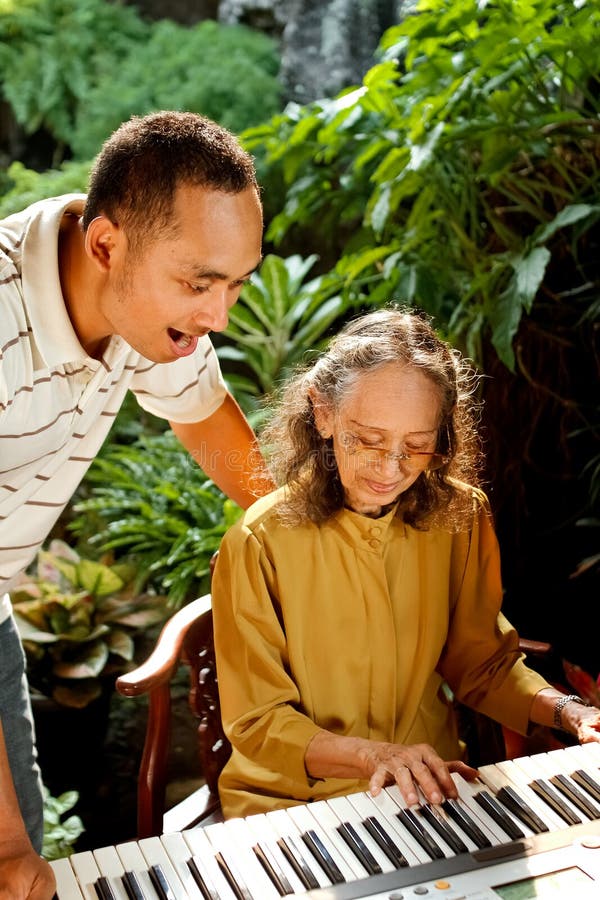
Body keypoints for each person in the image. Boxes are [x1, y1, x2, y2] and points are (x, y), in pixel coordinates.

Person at [0, 110, 274, 897]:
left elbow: (206, 423)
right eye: (199, 284)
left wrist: (313, 540)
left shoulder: (144, 312)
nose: (217, 317)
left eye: (235, 285)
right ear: (106, 245)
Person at [211, 306, 600, 820]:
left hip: (427, 790)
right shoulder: (261, 539)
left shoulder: (460, 516)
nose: (391, 468)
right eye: (369, 440)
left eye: (417, 446)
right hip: (293, 805)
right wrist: (377, 756)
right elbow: (259, 722)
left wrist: (572, 712)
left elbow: (482, 664)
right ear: (322, 413)